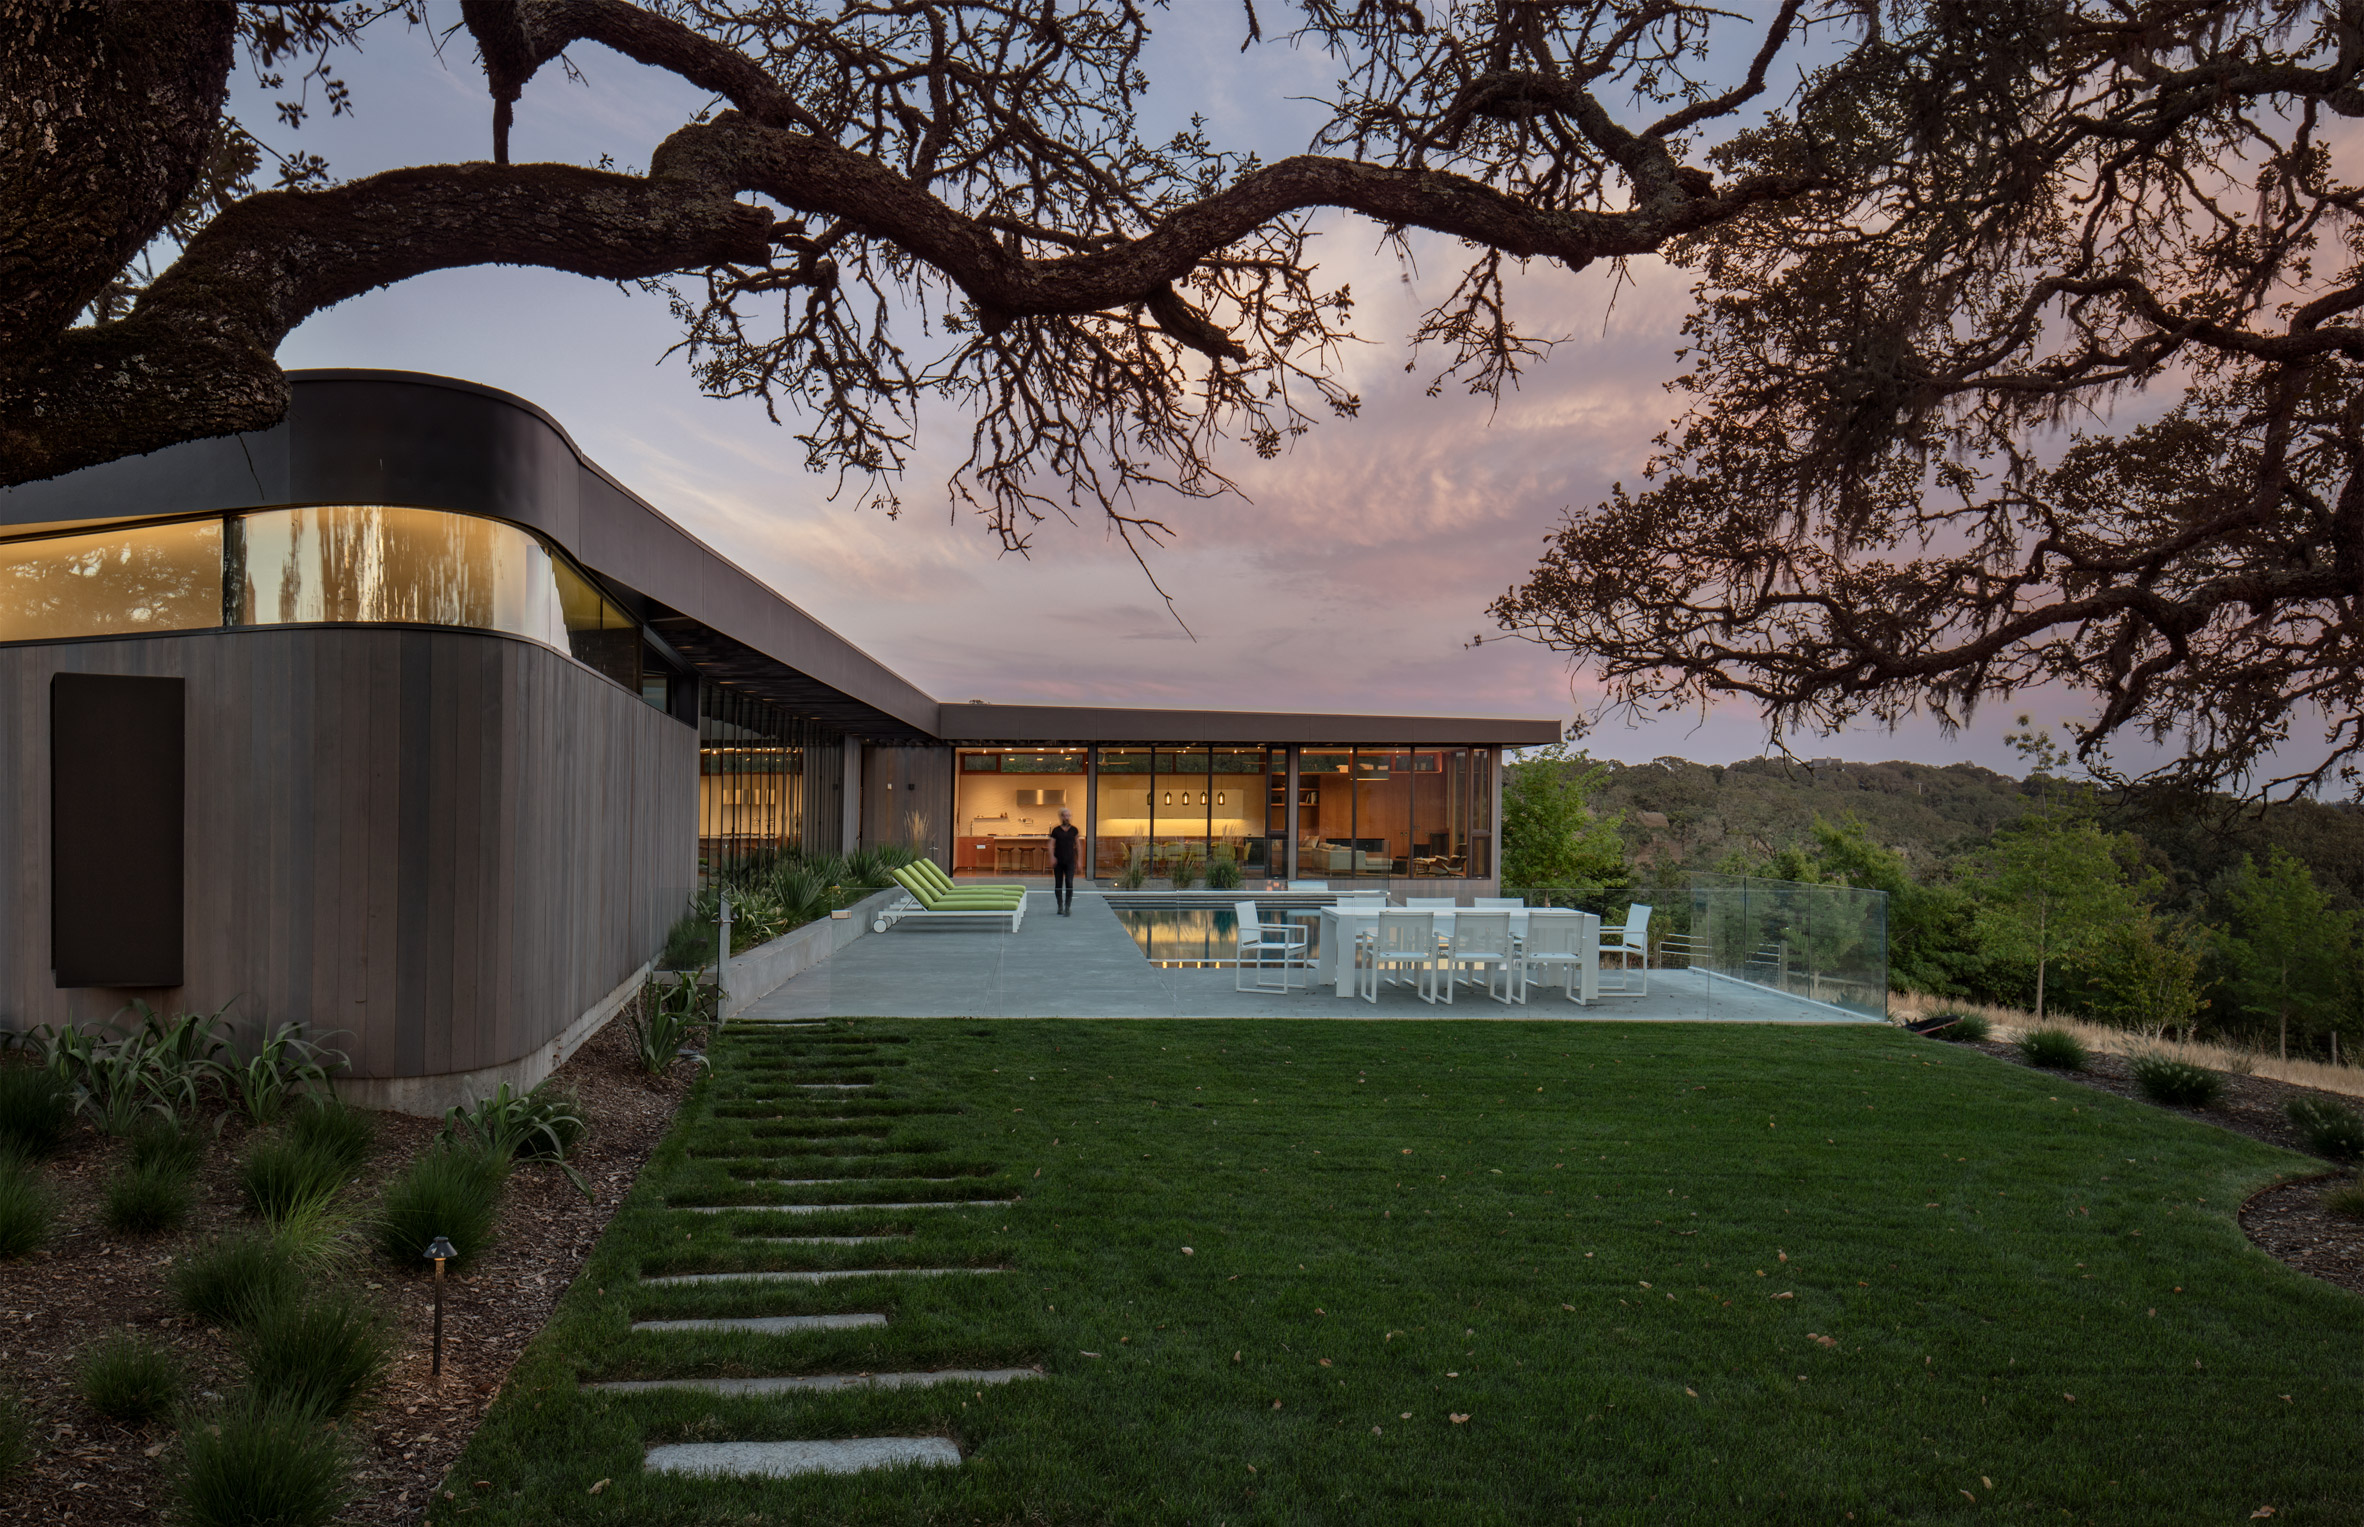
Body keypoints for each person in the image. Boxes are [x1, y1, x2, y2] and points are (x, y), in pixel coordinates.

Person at [1048, 806, 1081, 916]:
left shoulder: (1074, 830)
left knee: (1069, 882)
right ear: (1061, 817)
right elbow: (1051, 844)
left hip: (1070, 860)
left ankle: (1067, 906)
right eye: (1065, 815)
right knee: (1058, 883)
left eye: (1068, 816)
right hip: (1058, 861)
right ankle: (1060, 906)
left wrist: (1079, 860)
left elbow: (1078, 846)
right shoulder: (1056, 830)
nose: (1067, 817)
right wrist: (1052, 857)